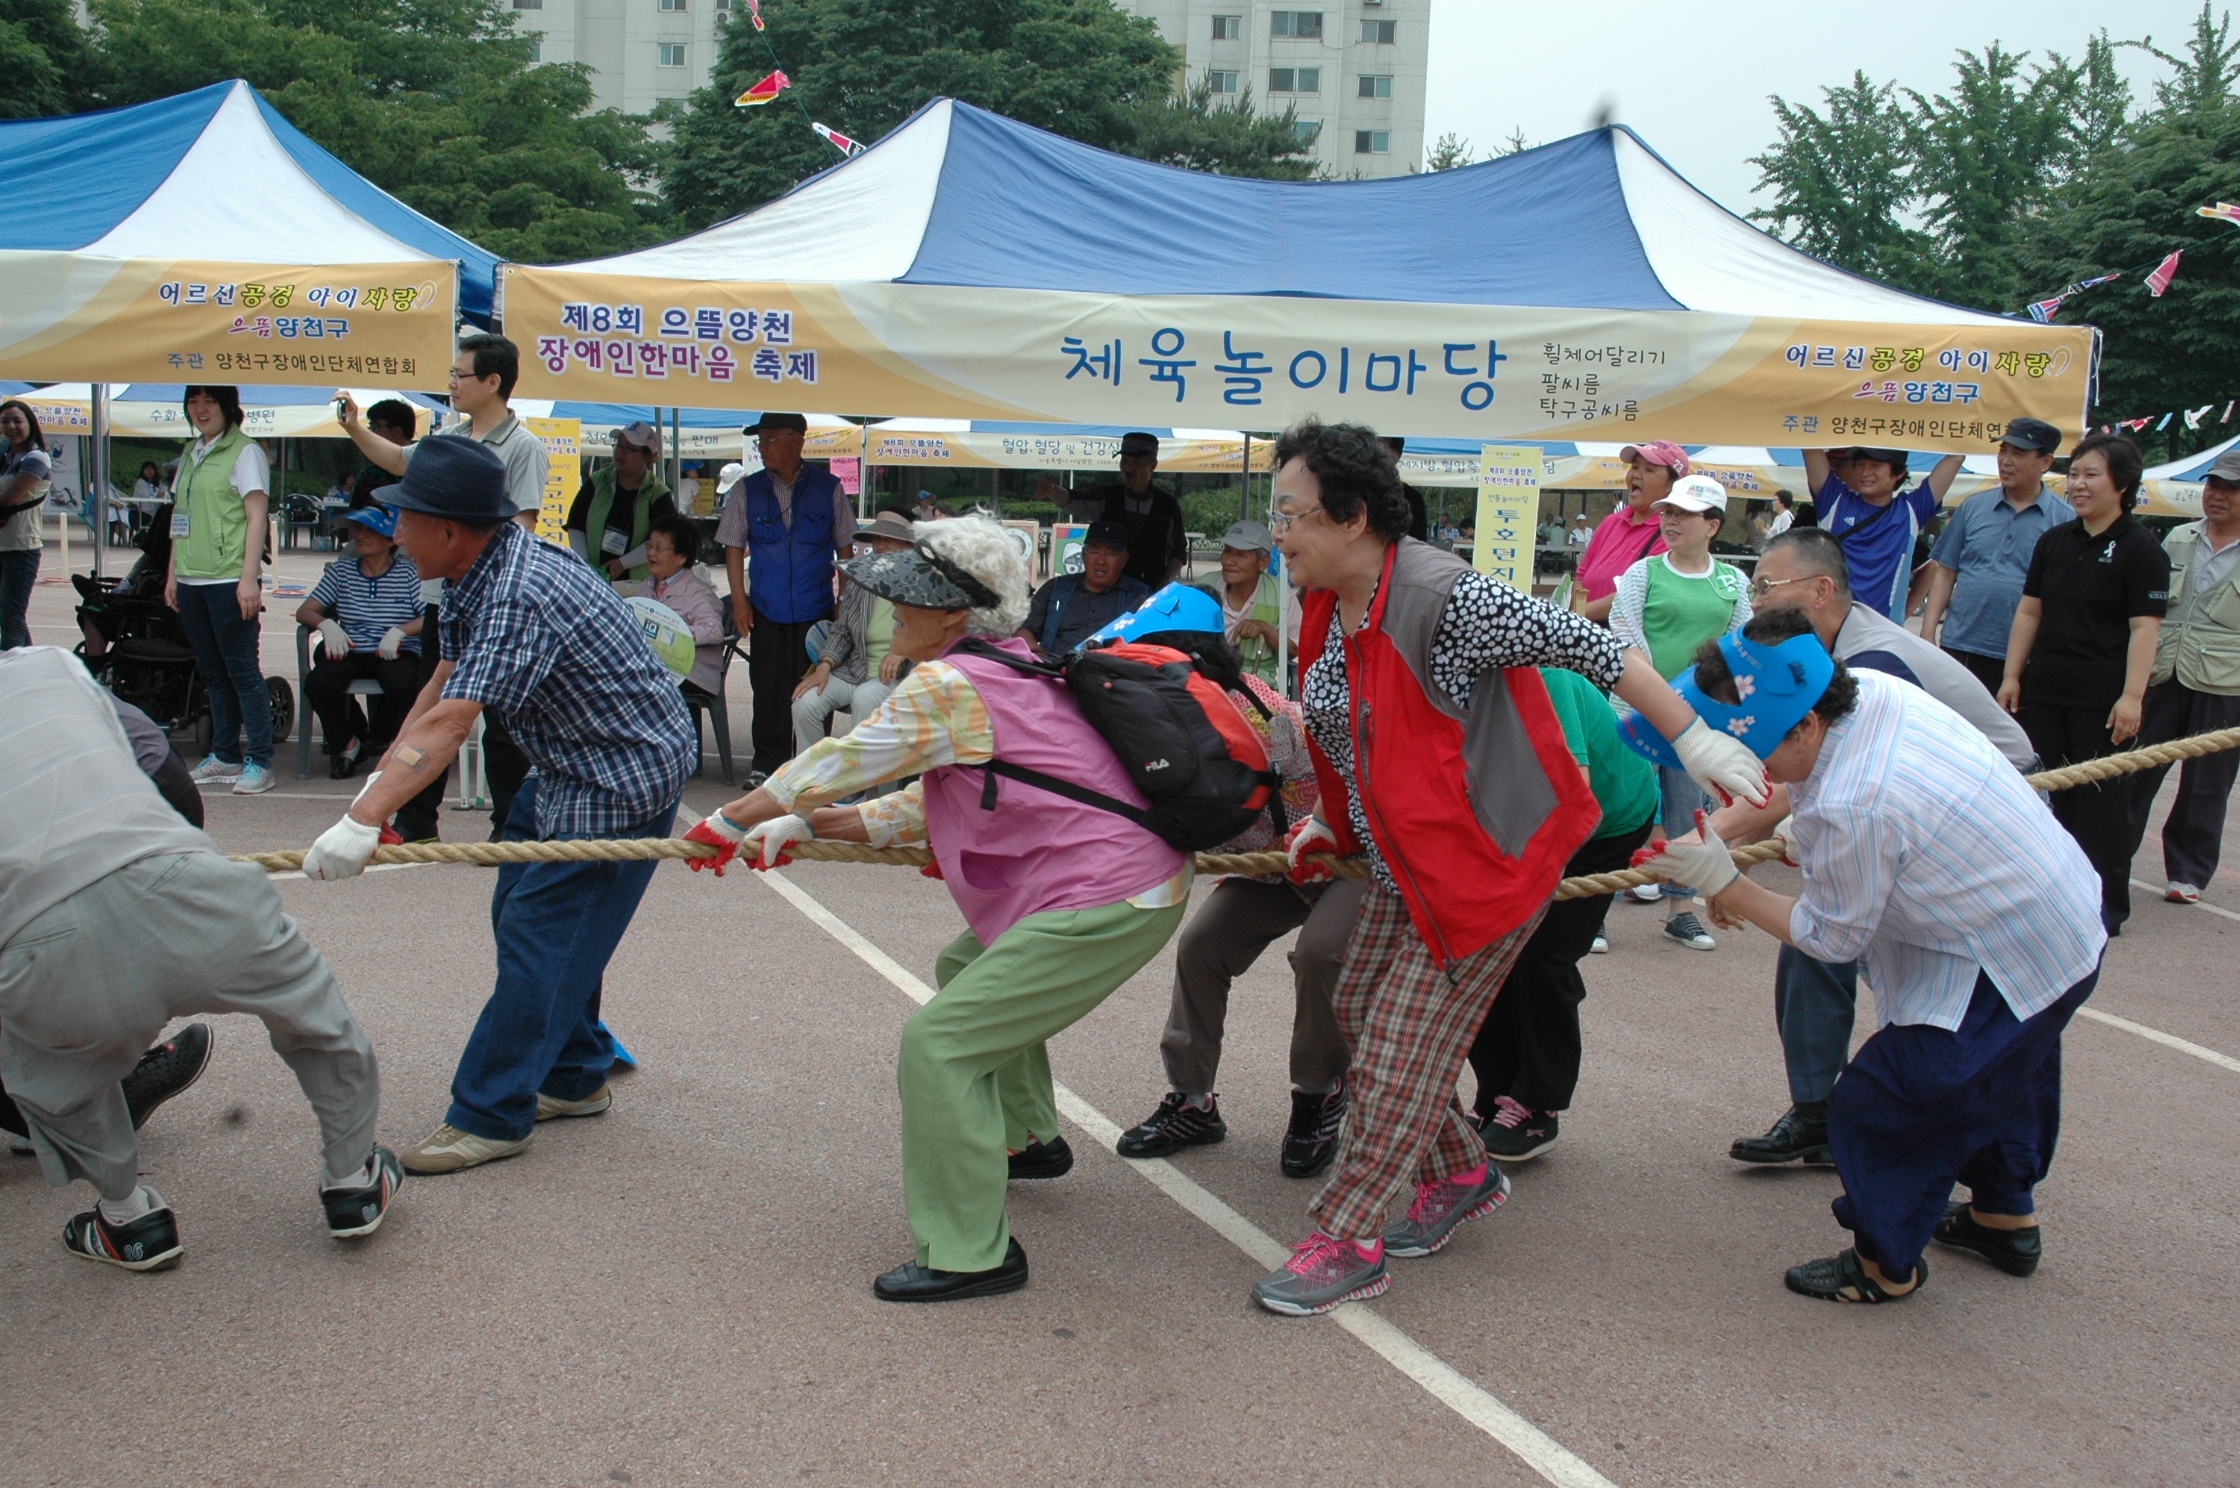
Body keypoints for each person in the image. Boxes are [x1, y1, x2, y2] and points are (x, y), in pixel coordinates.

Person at [1252, 419, 1767, 1317]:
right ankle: (1459, 1171)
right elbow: (1339, 727)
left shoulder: (1444, 595)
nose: (1278, 534)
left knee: (1399, 1051)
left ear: (1352, 516)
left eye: (1289, 514)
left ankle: (1348, 1236)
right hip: (1406, 861)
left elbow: (1597, 648)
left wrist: (1694, 740)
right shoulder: (1328, 602)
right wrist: (1329, 822)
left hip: (1491, 863)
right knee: (1360, 1013)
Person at [684, 516, 1193, 1303]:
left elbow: (841, 759)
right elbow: (930, 805)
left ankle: (970, 1253)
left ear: (955, 612)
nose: (894, 611)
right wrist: (811, 825)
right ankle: (1029, 1136)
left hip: (1109, 894)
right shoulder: (1010, 666)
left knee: (938, 1046)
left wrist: (730, 818)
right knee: (965, 964)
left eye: (910, 597)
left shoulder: (952, 684)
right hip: (1128, 880)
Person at [1640, 610, 2106, 1304]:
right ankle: (2002, 1219)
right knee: (2006, 1073)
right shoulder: (1867, 692)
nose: (1746, 768)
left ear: (1803, 726)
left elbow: (1832, 938)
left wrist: (1727, 884)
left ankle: (1885, 1264)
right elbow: (1807, 788)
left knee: (1890, 1098)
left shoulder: (1856, 804)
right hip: (2052, 915)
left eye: (1752, 749)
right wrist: (1736, 843)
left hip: (2004, 952)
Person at [298, 438, 695, 1176]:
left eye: (403, 517)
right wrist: (373, 793)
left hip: (620, 774)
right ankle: (573, 1074)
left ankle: (490, 1113)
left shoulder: (518, 590)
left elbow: (455, 722)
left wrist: (361, 820)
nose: (393, 531)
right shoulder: (470, 571)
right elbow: (440, 684)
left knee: (542, 935)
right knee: (520, 913)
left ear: (449, 529)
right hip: (569, 758)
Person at [2, 646, 402, 1270]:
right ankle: (353, 1181)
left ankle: (128, 1219)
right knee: (314, 1012)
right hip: (181, 879)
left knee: (50, 1064)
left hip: (35, 933)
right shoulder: (51, 664)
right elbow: (167, 776)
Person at [1709, 527, 2038, 1168]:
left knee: (1913, 975)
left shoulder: (1872, 663)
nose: (1755, 603)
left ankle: (1947, 1154)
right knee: (1815, 937)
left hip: (1987, 824)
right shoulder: (1822, 656)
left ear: (1820, 590)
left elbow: (1809, 768)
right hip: (1917, 811)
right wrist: (1729, 842)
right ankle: (1818, 1111)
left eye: (1767, 587)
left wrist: (1716, 848)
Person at [1100, 585, 1359, 1180]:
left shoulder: (1253, 710)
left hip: (1343, 855)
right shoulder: (1162, 713)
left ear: (1180, 656)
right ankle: (1193, 1101)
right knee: (1202, 947)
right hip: (1271, 865)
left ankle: (1318, 1094)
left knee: (1320, 954)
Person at [338, 336, 551, 838]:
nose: (451, 383)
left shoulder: (523, 446)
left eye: (460, 375)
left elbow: (522, 525)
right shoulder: (450, 438)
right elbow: (398, 461)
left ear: (493, 382)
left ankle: (510, 827)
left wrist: (473, 566)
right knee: (432, 704)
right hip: (447, 597)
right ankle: (416, 820)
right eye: (451, 374)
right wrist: (353, 427)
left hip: (497, 601)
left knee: (501, 719)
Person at [1462, 667, 1658, 1160]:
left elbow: (1572, 795)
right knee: (1479, 949)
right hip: (1516, 813)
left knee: (1541, 957)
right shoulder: (1441, 672)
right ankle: (1495, 1092)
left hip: (1608, 820)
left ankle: (1537, 1105)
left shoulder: (1542, 674)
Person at [1998, 433, 2168, 935]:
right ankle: (2050, 898)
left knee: (2101, 803)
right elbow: (2030, 611)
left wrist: (2133, 696)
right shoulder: (2054, 541)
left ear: (2122, 484)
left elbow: (2145, 629)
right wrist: (2012, 675)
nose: (2078, 484)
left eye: (2091, 475)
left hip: (2104, 699)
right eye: (2074, 474)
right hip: (2047, 689)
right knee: (2050, 797)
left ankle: (2103, 908)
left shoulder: (2142, 550)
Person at [1608, 474, 1752, 950]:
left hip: (1700, 720)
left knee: (1690, 812)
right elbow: (1625, 635)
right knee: (1620, 809)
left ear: (1712, 525)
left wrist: (1703, 698)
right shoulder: (1642, 573)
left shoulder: (1733, 582)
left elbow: (1739, 645)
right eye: (1668, 512)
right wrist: (1658, 695)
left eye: (1683, 514)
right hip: (1634, 712)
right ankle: (1595, 913)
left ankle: (1680, 911)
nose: (1670, 521)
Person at [2125, 447, 2240, 905]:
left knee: (2206, 783)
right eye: (2214, 486)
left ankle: (2187, 873)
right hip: (2163, 671)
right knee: (2135, 768)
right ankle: (2113, 856)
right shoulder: (2178, 537)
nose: (2219, 496)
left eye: (2232, 490)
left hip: (2226, 682)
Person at [716, 412, 856, 783]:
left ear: (795, 440)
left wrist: (844, 601)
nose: (762, 448)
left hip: (816, 609)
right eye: (760, 441)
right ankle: (766, 765)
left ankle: (812, 765)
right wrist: (740, 600)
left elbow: (845, 547)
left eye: (769, 439)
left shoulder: (829, 488)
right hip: (766, 608)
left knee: (815, 686)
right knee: (767, 687)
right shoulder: (747, 490)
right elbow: (733, 546)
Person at [164, 386, 276, 795]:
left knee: (242, 670)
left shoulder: (245, 452)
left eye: (209, 401)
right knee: (212, 673)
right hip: (191, 577)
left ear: (228, 407)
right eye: (193, 401)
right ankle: (225, 753)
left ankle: (260, 761)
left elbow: (256, 517)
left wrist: (248, 578)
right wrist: (172, 574)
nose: (200, 409)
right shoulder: (191, 453)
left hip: (229, 578)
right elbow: (181, 517)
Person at [1918, 419, 2070, 696]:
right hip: (1961, 644)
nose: (2006, 461)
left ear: (2046, 462)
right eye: (2003, 451)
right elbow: (1946, 572)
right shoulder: (1973, 507)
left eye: (2018, 453)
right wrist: (1928, 633)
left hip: (2024, 655)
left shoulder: (2064, 520)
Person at [295, 504, 425, 779]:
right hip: (353, 648)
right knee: (318, 683)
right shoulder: (342, 571)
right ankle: (348, 745)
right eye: (358, 529)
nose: (360, 536)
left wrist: (400, 631)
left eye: (371, 530)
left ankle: (397, 749)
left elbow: (430, 617)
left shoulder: (409, 573)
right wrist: (326, 624)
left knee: (403, 684)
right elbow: (305, 610)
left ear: (391, 540)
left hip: (396, 650)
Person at [792, 510, 915, 749]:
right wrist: (824, 665)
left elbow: (932, 634)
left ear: (908, 545)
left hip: (898, 676)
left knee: (865, 697)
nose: (881, 545)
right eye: (877, 539)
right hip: (855, 669)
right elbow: (842, 630)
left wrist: (903, 650)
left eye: (889, 539)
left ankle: (861, 771)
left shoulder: (922, 584)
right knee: (805, 702)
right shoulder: (862, 580)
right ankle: (814, 770)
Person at [1802, 445, 1962, 621]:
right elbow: (1810, 447)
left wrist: (1904, 612)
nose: (1865, 473)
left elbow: (1955, 457)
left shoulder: (1910, 511)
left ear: (1899, 473)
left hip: (1883, 630)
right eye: (1860, 464)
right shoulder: (1834, 501)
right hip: (1831, 627)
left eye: (1875, 466)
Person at [615, 513, 729, 698]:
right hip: (657, 666)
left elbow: (714, 631)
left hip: (693, 673)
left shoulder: (697, 592)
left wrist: (672, 634)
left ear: (682, 556)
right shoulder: (647, 586)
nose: (651, 553)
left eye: (659, 548)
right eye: (650, 546)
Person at [1572, 440, 1685, 623]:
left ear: (1672, 485)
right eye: (1635, 466)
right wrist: (1576, 619)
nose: (1636, 475)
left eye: (1649, 470)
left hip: (1621, 636)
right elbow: (1580, 577)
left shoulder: (1671, 533)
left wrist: (1577, 615)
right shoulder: (1611, 522)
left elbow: (1639, 595)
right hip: (1583, 629)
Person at [1018, 519, 1149, 656]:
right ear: (1083, 554)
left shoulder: (1140, 595)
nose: (1101, 561)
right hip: (1055, 666)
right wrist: (1039, 655)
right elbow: (1025, 628)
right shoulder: (1055, 588)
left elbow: (1152, 643)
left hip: (1111, 667)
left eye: (1110, 554)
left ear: (1124, 560)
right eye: (1094, 552)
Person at [566, 422, 676, 581]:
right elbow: (576, 524)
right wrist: (583, 563)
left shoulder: (658, 493)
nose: (620, 452)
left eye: (629, 448)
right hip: (593, 577)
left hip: (639, 583)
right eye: (619, 445)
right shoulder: (597, 482)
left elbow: (663, 540)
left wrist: (622, 563)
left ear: (647, 457)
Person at [1084, 432, 1187, 589]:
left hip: (1151, 589)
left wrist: (1164, 583)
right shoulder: (1107, 497)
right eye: (1125, 461)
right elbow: (1070, 499)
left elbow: (1178, 552)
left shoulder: (1167, 506)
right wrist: (1052, 489)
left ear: (1153, 465)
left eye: (1137, 463)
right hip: (1108, 590)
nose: (1129, 468)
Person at [1211, 518, 1295, 686]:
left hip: (1258, 689)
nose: (1228, 561)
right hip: (1210, 683)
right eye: (1227, 551)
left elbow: (1294, 650)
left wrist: (1266, 629)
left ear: (1263, 562)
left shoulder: (1281, 593)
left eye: (1240, 554)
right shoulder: (1204, 587)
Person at [0, 399, 55, 649]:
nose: (11, 426)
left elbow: (9, 498)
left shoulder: (37, 458)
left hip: (21, 550)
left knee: (12, 619)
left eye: (17, 421)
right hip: (3, 547)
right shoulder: (6, 458)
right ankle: (31, 665)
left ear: (30, 424)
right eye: (5, 421)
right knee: (9, 617)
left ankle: (9, 669)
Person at [349, 400, 419, 506]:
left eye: (375, 426)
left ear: (397, 431)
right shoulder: (369, 476)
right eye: (370, 426)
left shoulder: (423, 474)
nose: (370, 432)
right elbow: (356, 512)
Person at [1377, 437, 1432, 541]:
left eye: (1382, 447)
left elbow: (1419, 541)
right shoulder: (1353, 492)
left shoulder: (1412, 498)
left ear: (1396, 455)